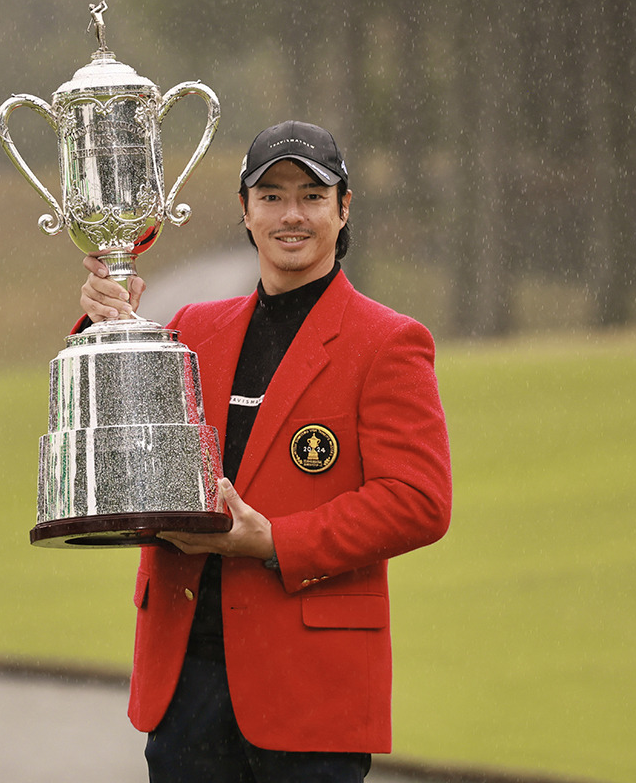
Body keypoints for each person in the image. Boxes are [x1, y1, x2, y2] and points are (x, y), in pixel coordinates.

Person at [79, 120, 452, 782]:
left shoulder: (389, 343)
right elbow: (126, 453)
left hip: (309, 693)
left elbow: (418, 502)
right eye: (272, 196)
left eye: (312, 195)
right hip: (185, 684)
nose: (292, 215)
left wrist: (271, 539)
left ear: (344, 209)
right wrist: (107, 330)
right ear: (245, 213)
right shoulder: (193, 329)